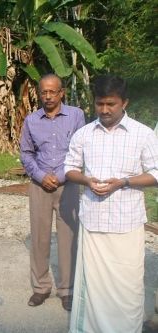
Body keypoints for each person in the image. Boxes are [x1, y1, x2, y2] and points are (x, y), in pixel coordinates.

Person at [65, 75, 158, 333]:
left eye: (111, 104)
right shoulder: (84, 134)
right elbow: (69, 168)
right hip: (93, 222)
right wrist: (86, 179)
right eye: (99, 104)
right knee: (93, 289)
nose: (104, 110)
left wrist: (124, 182)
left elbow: (157, 173)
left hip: (127, 223)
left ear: (124, 102)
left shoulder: (143, 134)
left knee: (128, 288)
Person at [20, 73, 85, 311]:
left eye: (52, 91)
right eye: (44, 92)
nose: (48, 96)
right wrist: (39, 176)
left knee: (68, 237)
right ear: (39, 93)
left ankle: (67, 290)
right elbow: (26, 153)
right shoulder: (31, 120)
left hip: (68, 184)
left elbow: (79, 151)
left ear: (62, 93)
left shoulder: (76, 116)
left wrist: (58, 177)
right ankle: (41, 287)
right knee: (40, 238)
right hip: (40, 186)